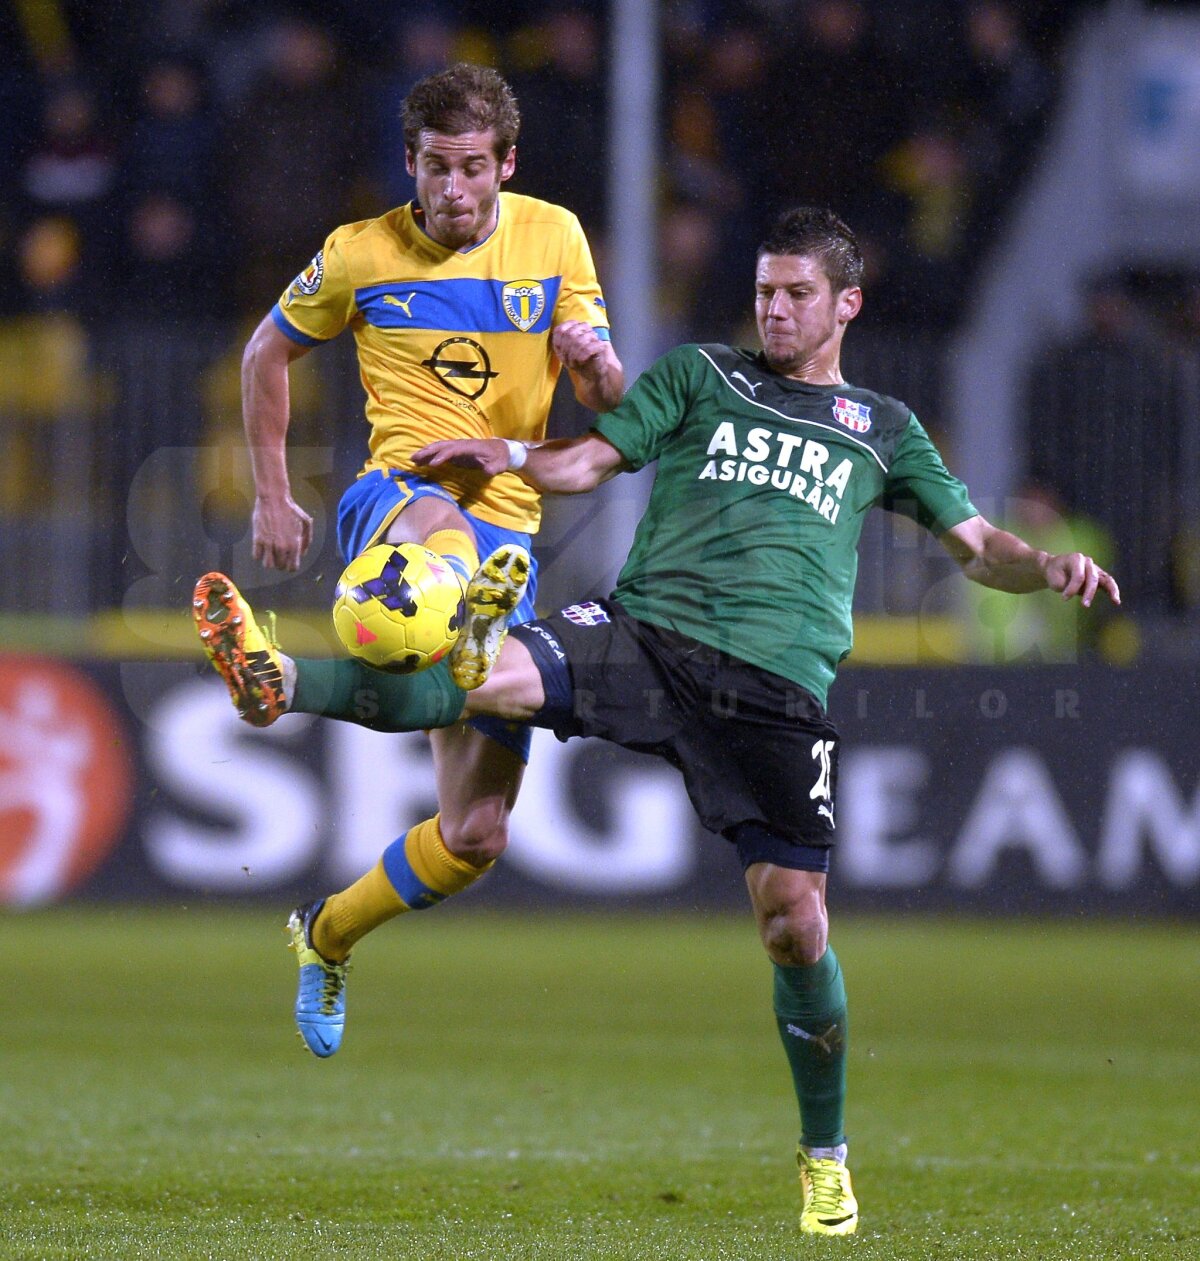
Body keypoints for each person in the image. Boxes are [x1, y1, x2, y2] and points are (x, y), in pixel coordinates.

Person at [193, 207, 1118, 1238]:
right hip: (646, 634)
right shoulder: (698, 377)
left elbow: (978, 542)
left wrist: (1047, 569)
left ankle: (825, 1155)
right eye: (764, 290)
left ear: (846, 304)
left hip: (775, 689)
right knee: (482, 679)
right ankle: (283, 679)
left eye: (796, 293)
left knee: (794, 924)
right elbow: (589, 460)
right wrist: (505, 449)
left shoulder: (884, 428)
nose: (773, 308)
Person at [193, 60, 622, 1047]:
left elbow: (607, 395)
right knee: (448, 538)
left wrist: (596, 364)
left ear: (507, 165)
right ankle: (459, 618)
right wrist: (271, 488)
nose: (454, 190)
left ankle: (325, 926)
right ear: (410, 161)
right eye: (436, 168)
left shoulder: (553, 236)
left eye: (474, 169)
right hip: (402, 498)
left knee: (475, 835)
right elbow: (267, 352)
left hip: (511, 524)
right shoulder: (359, 252)